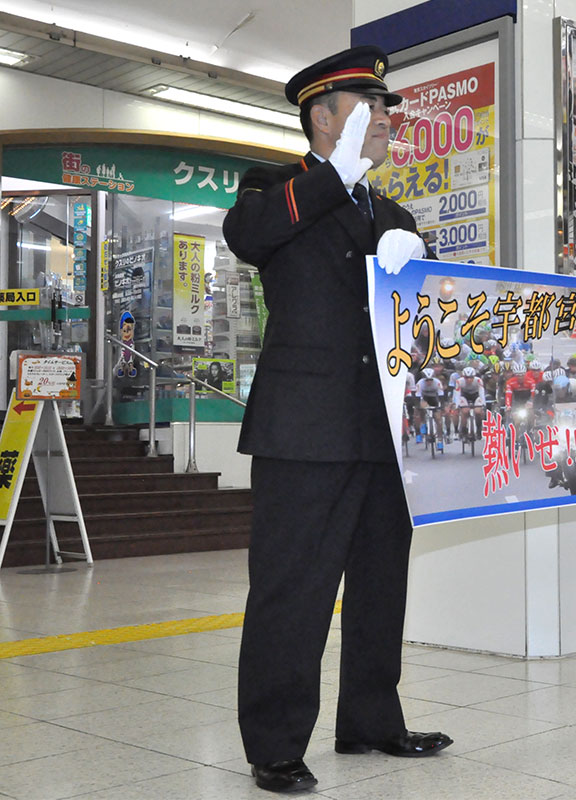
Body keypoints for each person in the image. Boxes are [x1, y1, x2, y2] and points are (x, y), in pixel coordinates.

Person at [222, 45, 451, 794]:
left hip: (384, 429)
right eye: (371, 107)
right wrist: (332, 181)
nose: (388, 119)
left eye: (388, 108)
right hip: (304, 427)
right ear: (323, 117)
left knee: (382, 582)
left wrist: (423, 268)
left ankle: (372, 720)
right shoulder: (274, 187)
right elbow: (251, 236)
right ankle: (276, 744)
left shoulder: (395, 213)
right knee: (293, 588)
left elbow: (422, 326)